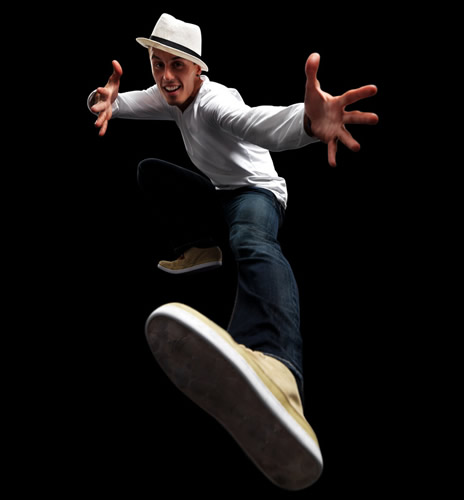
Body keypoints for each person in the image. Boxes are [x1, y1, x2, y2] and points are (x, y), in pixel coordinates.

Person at [88, 13, 378, 490]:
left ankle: (278, 369)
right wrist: (102, 101)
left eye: (177, 67)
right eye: (158, 65)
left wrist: (308, 122)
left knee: (251, 241)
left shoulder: (216, 102)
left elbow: (258, 123)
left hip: (256, 193)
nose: (166, 77)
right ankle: (202, 248)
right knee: (152, 172)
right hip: (220, 194)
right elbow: (126, 103)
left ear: (198, 69)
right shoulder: (167, 94)